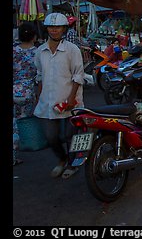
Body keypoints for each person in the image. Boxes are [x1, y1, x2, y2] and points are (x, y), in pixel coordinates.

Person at [34, 12, 84, 179]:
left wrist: (71, 98)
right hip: (48, 100)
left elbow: (78, 75)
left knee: (70, 135)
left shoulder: (72, 50)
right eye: (51, 27)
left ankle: (72, 163)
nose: (54, 30)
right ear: (46, 29)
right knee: (51, 136)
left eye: (57, 27)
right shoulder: (40, 51)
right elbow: (39, 75)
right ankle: (62, 159)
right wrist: (38, 96)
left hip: (70, 99)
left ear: (64, 29)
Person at [13, 22, 39, 166]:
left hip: (13, 90)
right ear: (34, 36)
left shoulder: (14, 51)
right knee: (24, 122)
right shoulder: (37, 52)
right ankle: (28, 143)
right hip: (27, 91)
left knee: (13, 123)